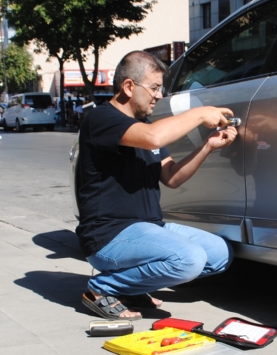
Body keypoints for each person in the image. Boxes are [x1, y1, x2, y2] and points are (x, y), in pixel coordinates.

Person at [75, 51, 238, 320]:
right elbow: (153, 138)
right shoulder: (102, 119)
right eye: (153, 87)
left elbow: (171, 177)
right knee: (190, 259)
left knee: (220, 254)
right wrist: (198, 114)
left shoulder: (145, 126)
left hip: (149, 228)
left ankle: (131, 286)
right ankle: (102, 288)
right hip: (108, 235)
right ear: (129, 86)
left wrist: (208, 146)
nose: (159, 95)